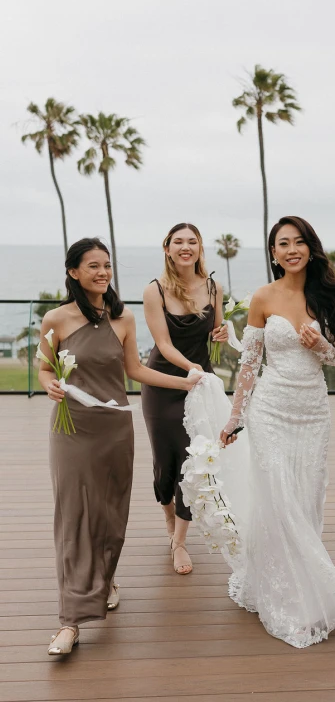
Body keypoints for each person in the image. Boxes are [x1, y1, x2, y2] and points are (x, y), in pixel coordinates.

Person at [219, 215, 335, 648]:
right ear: (273, 253)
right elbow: (249, 362)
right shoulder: (262, 297)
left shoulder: (330, 293)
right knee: (279, 498)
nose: (291, 249)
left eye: (299, 242)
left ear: (310, 247)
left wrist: (320, 345)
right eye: (282, 243)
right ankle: (289, 599)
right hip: (270, 410)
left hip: (313, 412)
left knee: (304, 500)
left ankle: (296, 583)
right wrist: (236, 417)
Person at [39, 238, 203, 656]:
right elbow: (43, 367)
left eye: (107, 265)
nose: (103, 272)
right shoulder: (55, 319)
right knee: (74, 518)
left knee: (111, 517)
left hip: (115, 431)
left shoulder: (123, 317)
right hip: (72, 430)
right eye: (93, 266)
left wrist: (186, 381)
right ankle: (70, 621)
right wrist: (49, 385)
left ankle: (106, 579)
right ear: (74, 272)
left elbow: (136, 370)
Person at [142, 223, 227, 575]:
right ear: (167, 248)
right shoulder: (154, 290)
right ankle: (167, 516)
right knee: (165, 464)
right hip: (164, 385)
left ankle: (179, 541)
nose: (185, 247)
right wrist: (189, 369)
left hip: (199, 384)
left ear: (200, 248)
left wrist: (222, 334)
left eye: (192, 242)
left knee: (195, 465)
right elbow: (163, 344)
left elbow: (217, 333)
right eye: (178, 242)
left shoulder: (213, 287)